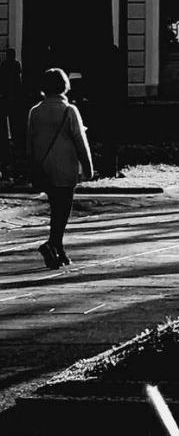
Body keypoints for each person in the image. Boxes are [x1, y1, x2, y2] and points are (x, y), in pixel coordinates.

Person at [26, 66, 95, 270]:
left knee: (55, 207)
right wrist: (88, 167)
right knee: (62, 210)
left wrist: (32, 167)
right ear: (65, 86)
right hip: (66, 167)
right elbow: (80, 141)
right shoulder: (69, 111)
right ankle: (51, 244)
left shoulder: (35, 111)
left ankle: (58, 249)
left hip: (43, 166)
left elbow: (28, 143)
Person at [0, 49, 26, 184]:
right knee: (13, 131)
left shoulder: (5, 65)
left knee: (9, 132)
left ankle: (9, 167)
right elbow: (17, 79)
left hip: (8, 99)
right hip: (13, 99)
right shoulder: (14, 65)